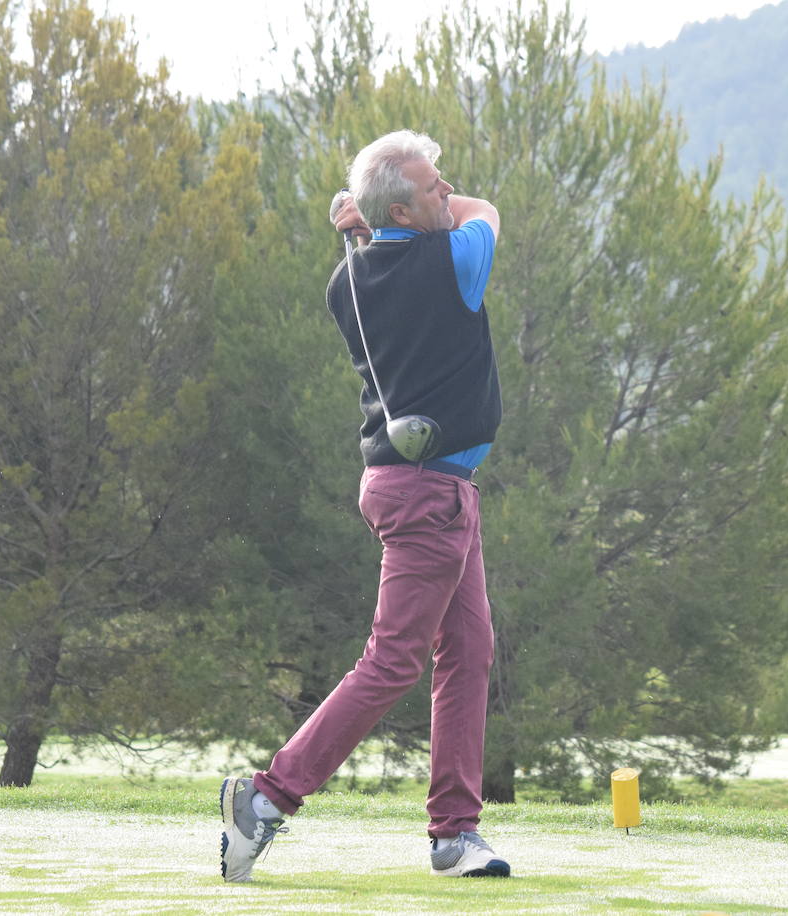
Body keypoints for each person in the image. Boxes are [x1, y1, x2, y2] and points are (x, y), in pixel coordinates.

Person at [220, 129, 508, 883]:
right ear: (405, 213)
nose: (448, 190)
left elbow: (395, 239)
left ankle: (454, 834)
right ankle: (266, 797)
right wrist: (385, 211)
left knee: (469, 650)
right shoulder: (455, 260)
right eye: (432, 186)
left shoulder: (345, 279)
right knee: (393, 661)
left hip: (423, 489)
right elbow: (486, 210)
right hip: (429, 496)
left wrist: (370, 216)